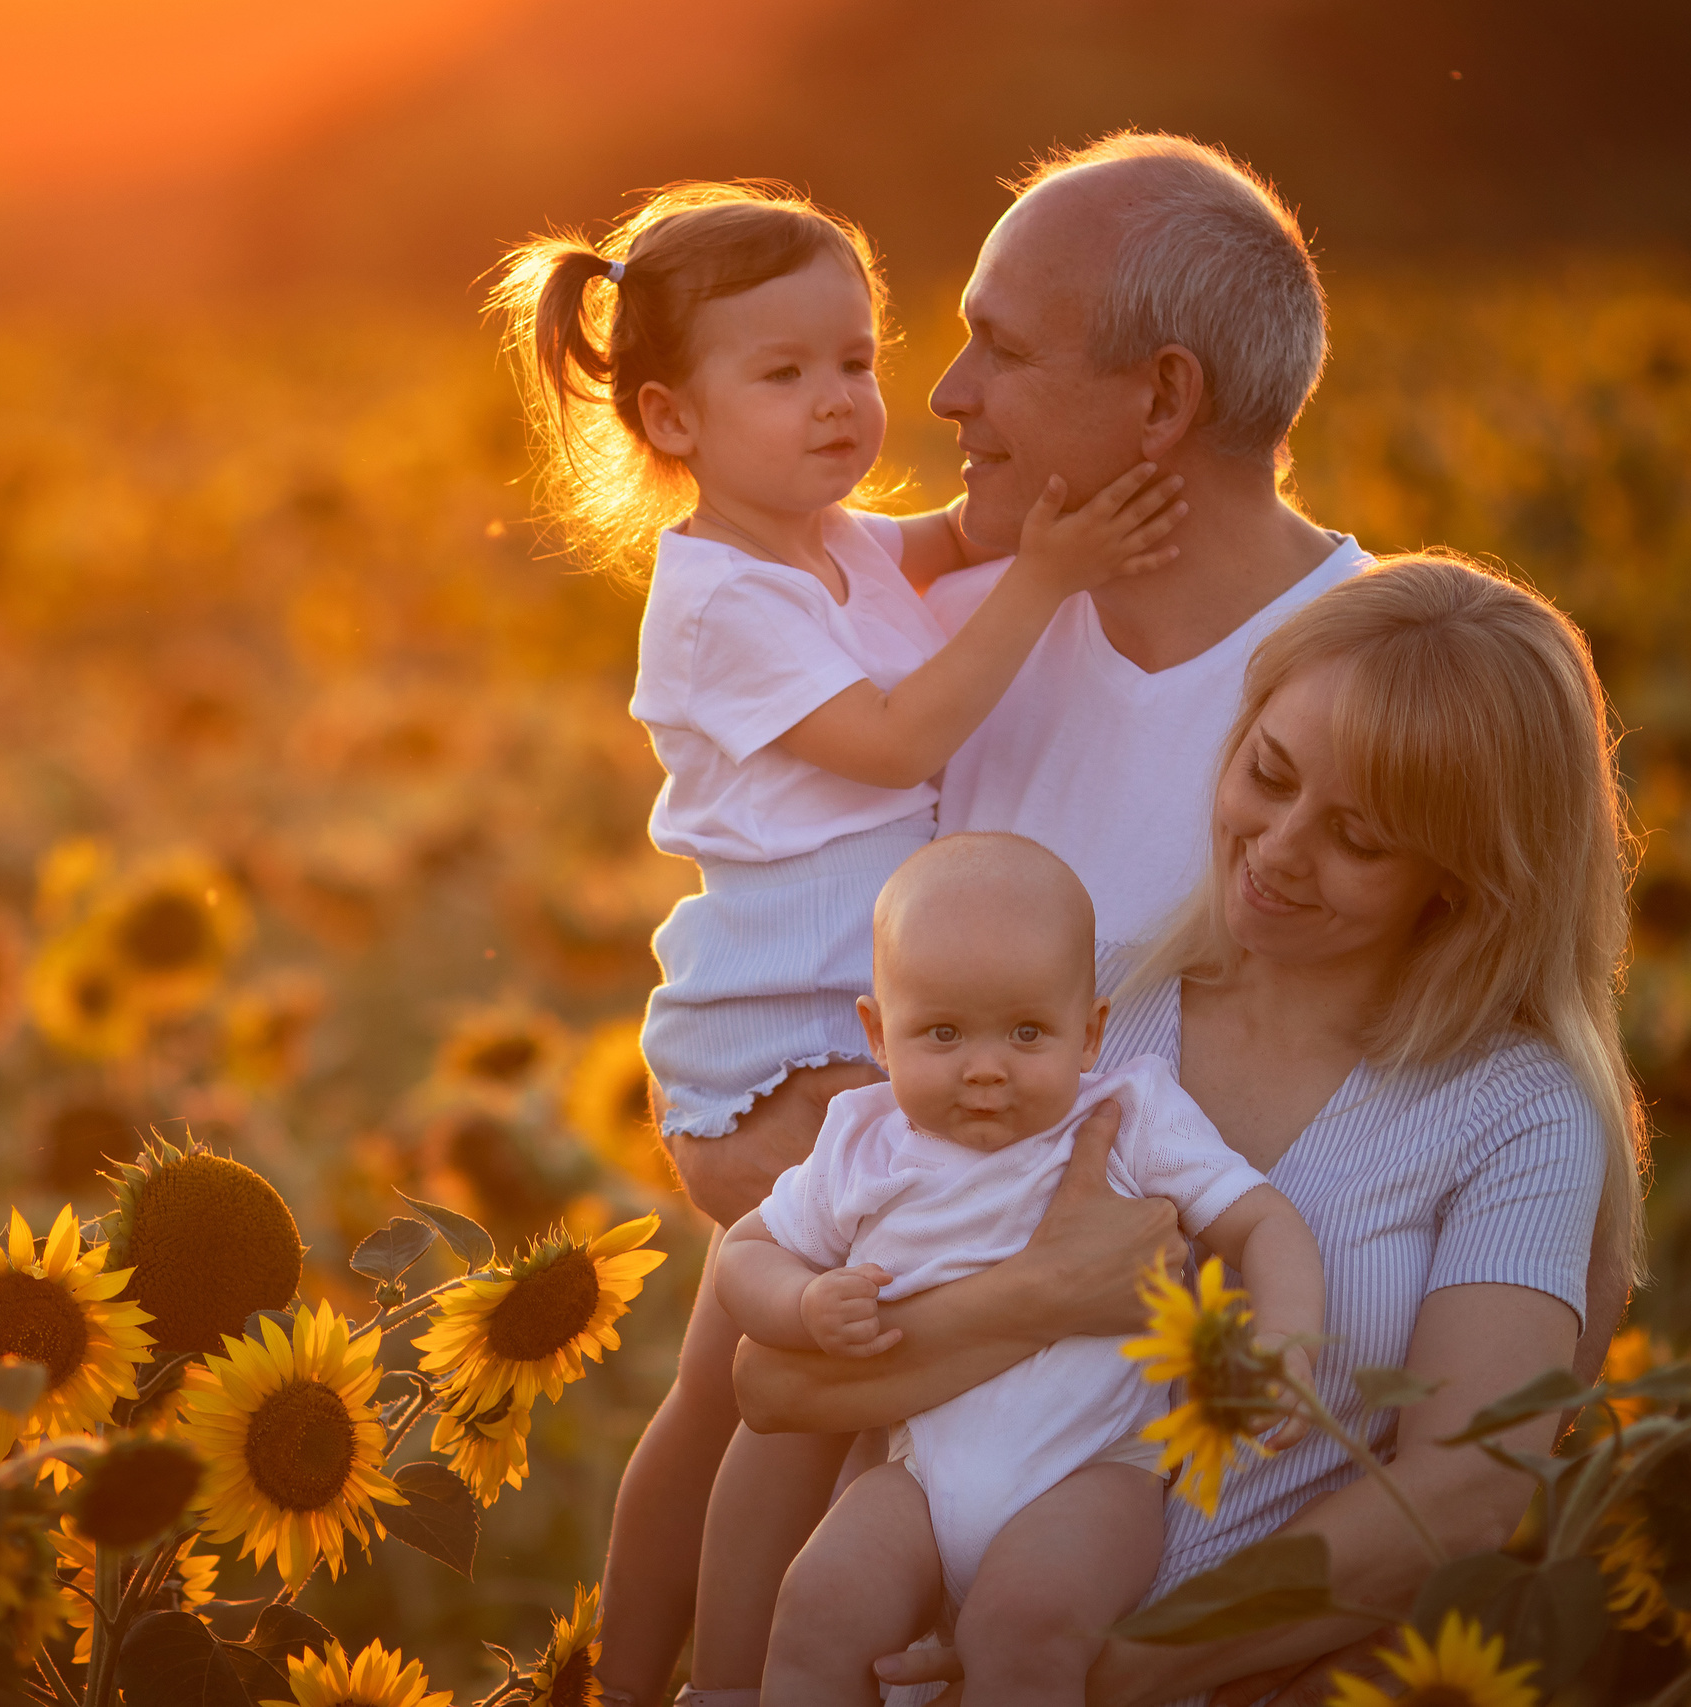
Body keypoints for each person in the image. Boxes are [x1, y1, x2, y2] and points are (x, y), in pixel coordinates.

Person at [607, 134, 1383, 1707]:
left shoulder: (1378, 696)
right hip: (813, 1101)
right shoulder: (907, 616)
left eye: (995, 346)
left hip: (1105, 1496)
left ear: (1161, 403)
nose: (934, 396)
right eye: (799, 368)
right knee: (737, 1409)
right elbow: (882, 750)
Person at [486, 178, 1185, 1703]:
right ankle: (725, 1679)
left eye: (856, 361)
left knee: (718, 1401)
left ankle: (639, 1672)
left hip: (828, 1028)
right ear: (670, 419)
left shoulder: (833, 547)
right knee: (790, 1401)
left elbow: (954, 530)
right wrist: (1051, 576)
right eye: (783, 373)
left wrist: (1089, 480)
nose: (841, 403)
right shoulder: (718, 598)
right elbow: (894, 734)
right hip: (774, 1056)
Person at [737, 555, 1644, 1706]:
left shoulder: (1515, 1113)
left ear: (1466, 880)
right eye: (1268, 773)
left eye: (1358, 839)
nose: (1276, 848)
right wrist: (1041, 1300)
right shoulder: (1071, 1013)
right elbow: (781, 1388)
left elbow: (1464, 1491)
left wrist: (1102, 1667)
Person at [712, 834, 1323, 1706]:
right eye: (944, 1032)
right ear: (879, 1033)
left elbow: (1264, 1219)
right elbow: (745, 1250)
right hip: (921, 1478)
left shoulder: (1127, 1111)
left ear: (1091, 1031)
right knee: (817, 1603)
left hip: (1097, 1469)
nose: (986, 1067)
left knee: (1022, 1632)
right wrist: (802, 1301)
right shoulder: (860, 1141)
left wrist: (1286, 1343)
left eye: (1027, 1031)